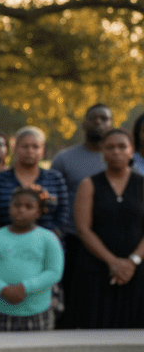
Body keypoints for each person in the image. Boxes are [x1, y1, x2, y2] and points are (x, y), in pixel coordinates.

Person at [69, 128, 144, 328]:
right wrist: (113, 263)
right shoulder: (89, 184)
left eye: (122, 147)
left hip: (137, 270)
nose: (116, 152)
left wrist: (131, 262)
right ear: (102, 151)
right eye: (110, 147)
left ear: (132, 150)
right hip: (97, 269)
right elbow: (83, 229)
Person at [50, 103, 114, 328]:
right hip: (73, 240)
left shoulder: (119, 158)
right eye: (94, 118)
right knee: (71, 299)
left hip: (111, 240)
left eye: (104, 118)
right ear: (84, 123)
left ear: (111, 124)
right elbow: (53, 197)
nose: (98, 122)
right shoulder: (64, 158)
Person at [0, 186, 64, 331]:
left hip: (38, 311)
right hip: (0, 310)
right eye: (17, 205)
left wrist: (25, 287)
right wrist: (3, 289)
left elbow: (54, 272)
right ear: (9, 207)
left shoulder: (48, 238)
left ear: (38, 212)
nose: (21, 210)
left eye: (28, 207)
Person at [0, 127, 69, 236]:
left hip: (45, 243)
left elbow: (63, 213)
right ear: (15, 148)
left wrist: (52, 236)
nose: (30, 151)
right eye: (25, 146)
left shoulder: (55, 178)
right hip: (6, 243)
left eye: (35, 147)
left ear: (43, 150)